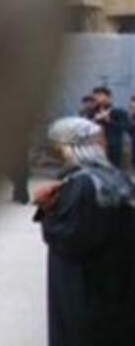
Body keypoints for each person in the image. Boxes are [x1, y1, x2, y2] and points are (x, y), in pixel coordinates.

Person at [35, 116, 135, 346]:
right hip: (116, 279)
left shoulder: (82, 184)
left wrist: (47, 211)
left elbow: (71, 236)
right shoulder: (119, 179)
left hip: (83, 284)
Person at [89, 86, 130, 170]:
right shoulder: (92, 112)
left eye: (99, 95)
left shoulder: (119, 112)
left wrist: (108, 120)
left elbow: (127, 128)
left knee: (113, 171)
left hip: (113, 148)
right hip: (96, 147)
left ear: (108, 97)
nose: (96, 98)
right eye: (95, 95)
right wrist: (93, 120)